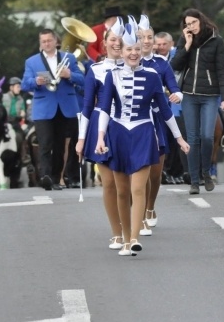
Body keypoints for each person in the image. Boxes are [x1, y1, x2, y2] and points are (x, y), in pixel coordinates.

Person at [95, 23, 189, 256]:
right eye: (129, 49)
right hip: (118, 134)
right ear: (122, 51)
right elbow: (104, 108)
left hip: (144, 133)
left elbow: (165, 110)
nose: (134, 53)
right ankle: (125, 237)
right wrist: (100, 137)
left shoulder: (153, 76)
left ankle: (134, 238)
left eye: (137, 49)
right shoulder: (111, 76)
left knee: (138, 189)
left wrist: (179, 138)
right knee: (122, 192)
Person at [76, 18, 126, 250]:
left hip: (128, 126)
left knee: (127, 185)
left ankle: (130, 222)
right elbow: (87, 107)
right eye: (112, 40)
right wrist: (81, 139)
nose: (116, 44)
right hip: (101, 127)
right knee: (109, 183)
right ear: (104, 43)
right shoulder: (95, 70)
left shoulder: (134, 68)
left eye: (120, 40)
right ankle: (117, 232)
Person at [170, 8, 224, 195]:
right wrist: (187, 45)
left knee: (207, 136)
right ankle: (194, 180)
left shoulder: (216, 40)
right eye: (187, 24)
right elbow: (174, 65)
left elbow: (222, 69)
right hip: (189, 95)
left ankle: (206, 171)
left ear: (201, 21)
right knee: (193, 138)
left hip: (210, 95)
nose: (191, 27)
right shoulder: (185, 40)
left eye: (193, 22)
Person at [21, 29, 85, 191]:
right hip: (43, 108)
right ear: (40, 43)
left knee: (59, 146)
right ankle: (45, 176)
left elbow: (83, 79)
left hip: (65, 107)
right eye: (43, 41)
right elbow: (25, 84)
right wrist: (36, 81)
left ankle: (56, 178)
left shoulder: (69, 58)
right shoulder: (31, 61)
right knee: (45, 144)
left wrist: (69, 74)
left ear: (56, 41)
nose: (46, 44)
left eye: (49, 40)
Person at [137, 17, 182, 236]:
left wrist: (178, 94)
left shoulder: (161, 63)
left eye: (149, 37)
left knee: (155, 174)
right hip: (136, 120)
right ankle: (139, 214)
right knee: (140, 172)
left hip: (157, 120)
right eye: (141, 37)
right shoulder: (129, 61)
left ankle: (150, 206)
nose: (146, 41)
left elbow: (173, 85)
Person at [155, 32, 186, 185]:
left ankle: (177, 171)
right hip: (158, 105)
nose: (161, 47)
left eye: (164, 44)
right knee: (165, 139)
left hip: (177, 103)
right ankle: (165, 170)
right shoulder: (151, 59)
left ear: (171, 44)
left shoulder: (177, 56)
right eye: (159, 44)